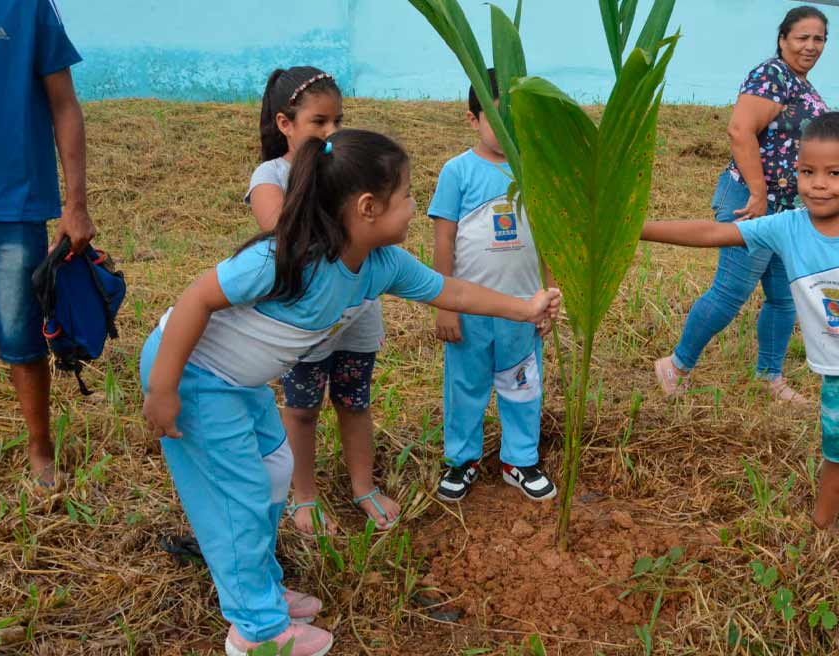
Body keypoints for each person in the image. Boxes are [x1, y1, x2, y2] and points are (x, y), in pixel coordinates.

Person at [141, 129, 561, 656]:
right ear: (367, 207)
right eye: (406, 195)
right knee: (238, 499)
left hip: (236, 383)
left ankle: (261, 590)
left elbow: (451, 290)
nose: (413, 207)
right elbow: (197, 298)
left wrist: (525, 308)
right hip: (191, 374)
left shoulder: (380, 265)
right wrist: (162, 389)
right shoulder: (290, 259)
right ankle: (255, 630)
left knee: (274, 474)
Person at [641, 113, 839, 618]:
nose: (819, 185)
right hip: (836, 378)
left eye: (835, 174)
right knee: (837, 459)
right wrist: (637, 228)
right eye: (807, 172)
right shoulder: (786, 227)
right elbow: (715, 233)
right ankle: (819, 529)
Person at [245, 66, 396, 533]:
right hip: (304, 323)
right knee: (303, 409)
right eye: (319, 122)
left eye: (339, 121)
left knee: (355, 402)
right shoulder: (271, 176)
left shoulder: (348, 170)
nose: (332, 132)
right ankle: (304, 496)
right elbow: (279, 232)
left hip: (358, 312)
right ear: (285, 124)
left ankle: (363, 486)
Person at [653, 5, 830, 404]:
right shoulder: (771, 75)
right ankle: (675, 365)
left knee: (785, 297)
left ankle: (770, 376)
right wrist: (757, 193)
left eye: (819, 39)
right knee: (730, 291)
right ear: (783, 39)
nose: (811, 46)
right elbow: (740, 129)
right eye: (802, 37)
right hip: (751, 202)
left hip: (789, 212)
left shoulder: (803, 85)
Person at [429, 69, 556, 503]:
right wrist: (445, 304)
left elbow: (548, 241)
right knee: (465, 386)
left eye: (516, 121)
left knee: (522, 385)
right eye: (497, 119)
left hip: (523, 308)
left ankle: (519, 460)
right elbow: (444, 239)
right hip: (470, 311)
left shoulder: (535, 172)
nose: (507, 131)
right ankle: (461, 460)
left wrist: (550, 296)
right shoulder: (457, 172)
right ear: (472, 119)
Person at [0, 0, 95, 488]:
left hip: (13, 203)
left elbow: (64, 103)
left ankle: (39, 447)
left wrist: (77, 202)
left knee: (21, 338)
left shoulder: (26, 6)